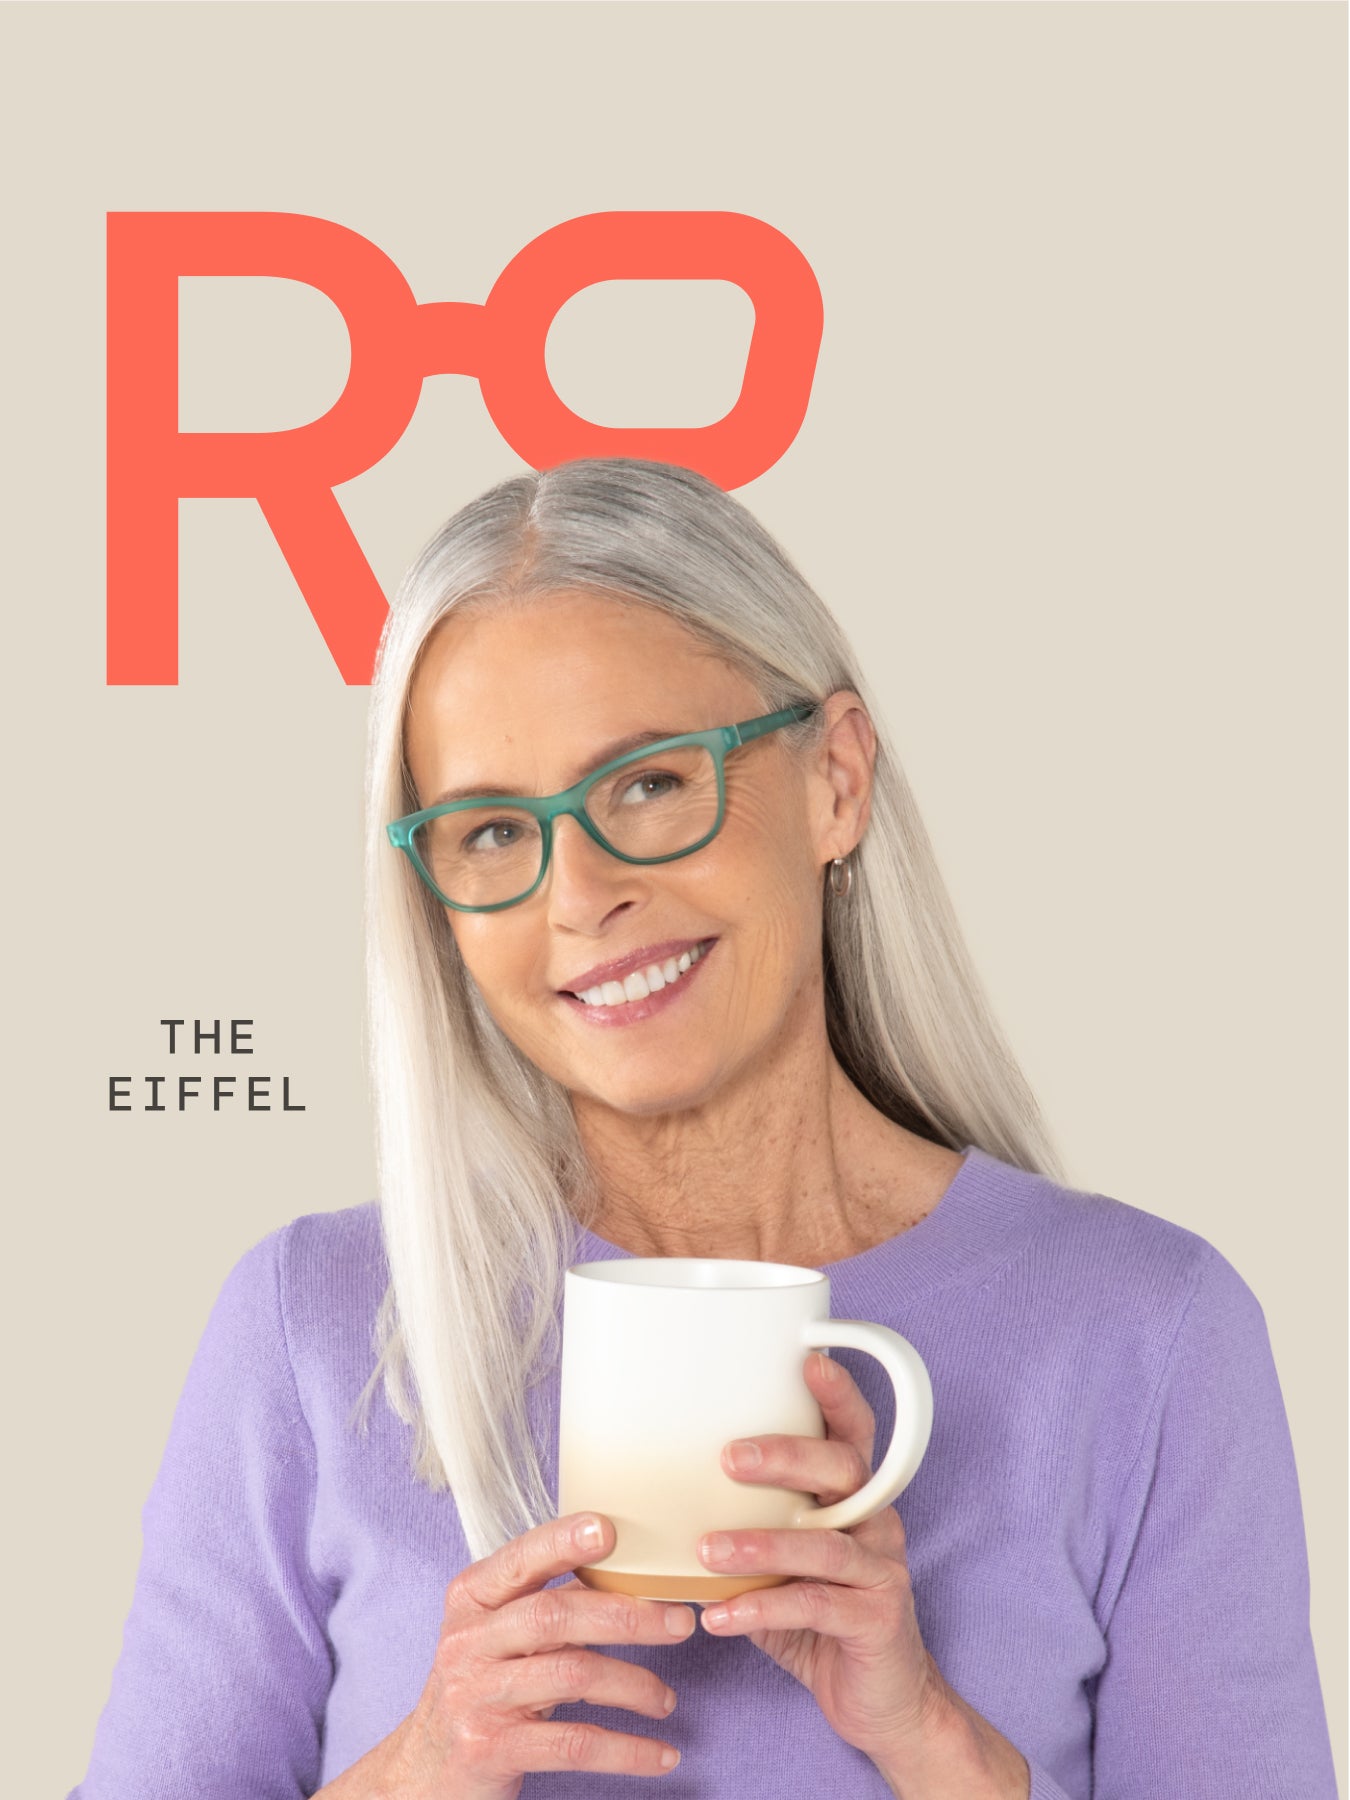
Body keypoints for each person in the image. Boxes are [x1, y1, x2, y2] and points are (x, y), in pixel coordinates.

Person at [71, 459, 1337, 1800]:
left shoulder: (1145, 1332)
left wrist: (930, 1742)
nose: (580, 894)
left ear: (834, 780)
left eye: (650, 786)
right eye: (495, 830)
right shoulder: (308, 1328)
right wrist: (415, 1771)